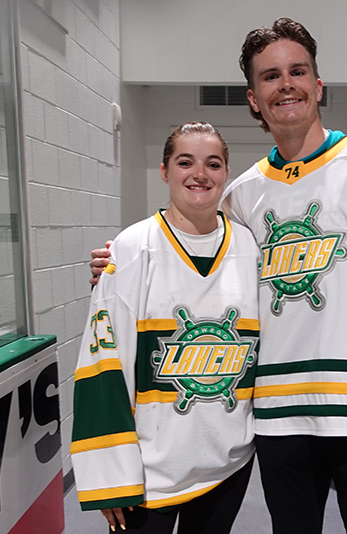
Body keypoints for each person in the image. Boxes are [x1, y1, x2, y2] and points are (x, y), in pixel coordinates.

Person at [91, 18, 347, 534]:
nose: (286, 84)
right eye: (270, 77)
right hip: (279, 414)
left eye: (298, 71)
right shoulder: (243, 194)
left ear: (318, 86)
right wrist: (121, 262)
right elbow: (197, 272)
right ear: (254, 98)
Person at [73, 122, 260, 534]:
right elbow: (102, 365)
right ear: (164, 171)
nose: (200, 173)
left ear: (226, 174)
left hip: (227, 463)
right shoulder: (131, 248)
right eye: (185, 162)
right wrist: (110, 476)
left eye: (213, 163)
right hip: (147, 473)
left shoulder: (251, 248)